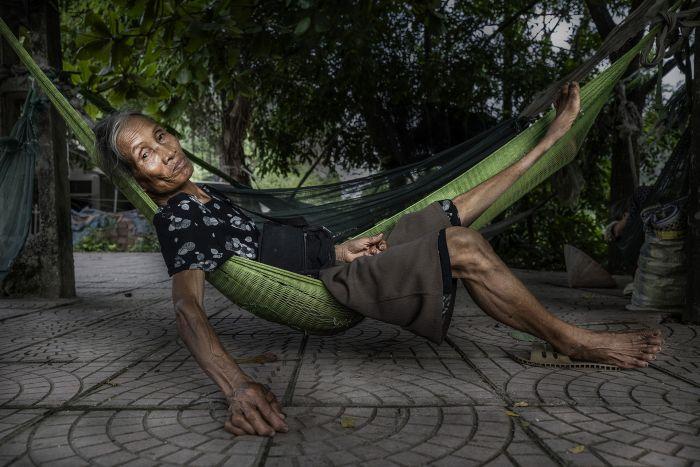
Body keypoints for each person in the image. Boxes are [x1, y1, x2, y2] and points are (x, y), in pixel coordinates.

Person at [94, 82, 663, 438]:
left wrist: (339, 247)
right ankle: (572, 341)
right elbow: (187, 310)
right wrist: (235, 386)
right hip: (328, 290)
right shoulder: (180, 219)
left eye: (161, 137)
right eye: (145, 154)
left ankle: (549, 142)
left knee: (453, 209)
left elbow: (270, 249)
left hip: (335, 261)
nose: (165, 153)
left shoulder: (206, 196)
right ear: (135, 177)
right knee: (461, 246)